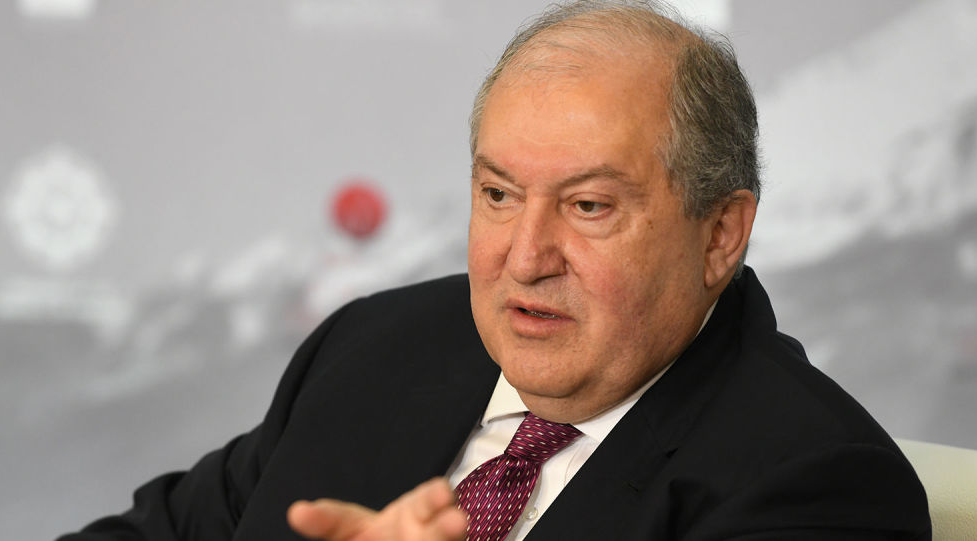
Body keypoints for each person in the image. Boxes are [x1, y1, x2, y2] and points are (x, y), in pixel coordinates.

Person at [60, 1, 931, 540]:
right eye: (499, 194)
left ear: (720, 235)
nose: (526, 256)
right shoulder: (377, 346)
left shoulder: (817, 484)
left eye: (588, 206)